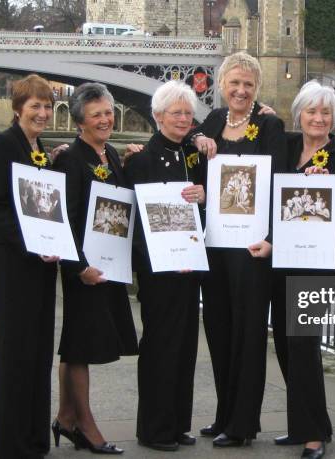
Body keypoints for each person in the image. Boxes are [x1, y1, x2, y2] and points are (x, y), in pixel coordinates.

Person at [190, 51, 288, 447]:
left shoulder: (269, 125)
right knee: (218, 330)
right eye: (234, 83)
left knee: (248, 336)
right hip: (215, 246)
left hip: (251, 249)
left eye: (248, 84)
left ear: (257, 88)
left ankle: (243, 424)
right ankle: (223, 414)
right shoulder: (211, 122)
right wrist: (196, 141)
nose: (241, 90)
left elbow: (279, 184)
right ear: (222, 86)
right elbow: (190, 165)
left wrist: (272, 240)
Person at [270, 80, 335, 459]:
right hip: (282, 258)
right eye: (311, 111)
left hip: (320, 263)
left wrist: (329, 194)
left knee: (303, 341)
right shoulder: (287, 147)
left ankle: (314, 435)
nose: (319, 118)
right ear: (299, 114)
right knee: (284, 342)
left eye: (326, 112)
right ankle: (305, 424)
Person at [52, 82, 138, 455]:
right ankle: (86, 427)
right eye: (97, 114)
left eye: (108, 112)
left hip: (109, 266)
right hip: (86, 270)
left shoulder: (111, 154)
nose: (105, 119)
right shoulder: (71, 158)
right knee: (80, 346)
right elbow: (66, 219)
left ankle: (66, 418)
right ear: (79, 120)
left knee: (75, 346)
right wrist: (79, 267)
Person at [0, 74, 59, 459]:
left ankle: (33, 437)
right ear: (17, 109)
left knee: (39, 348)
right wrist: (36, 242)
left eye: (47, 106)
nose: (42, 113)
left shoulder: (35, 146)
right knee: (15, 348)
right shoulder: (2, 145)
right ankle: (10, 443)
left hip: (39, 262)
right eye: (35, 107)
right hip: (12, 262)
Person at [123, 80, 206, 452]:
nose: (184, 119)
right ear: (158, 117)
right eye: (176, 113)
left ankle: (176, 423)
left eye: (188, 113)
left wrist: (203, 195)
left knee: (186, 346)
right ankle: (154, 429)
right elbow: (134, 223)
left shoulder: (194, 157)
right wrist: (157, 261)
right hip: (158, 273)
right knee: (160, 347)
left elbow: (205, 211)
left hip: (190, 268)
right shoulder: (140, 160)